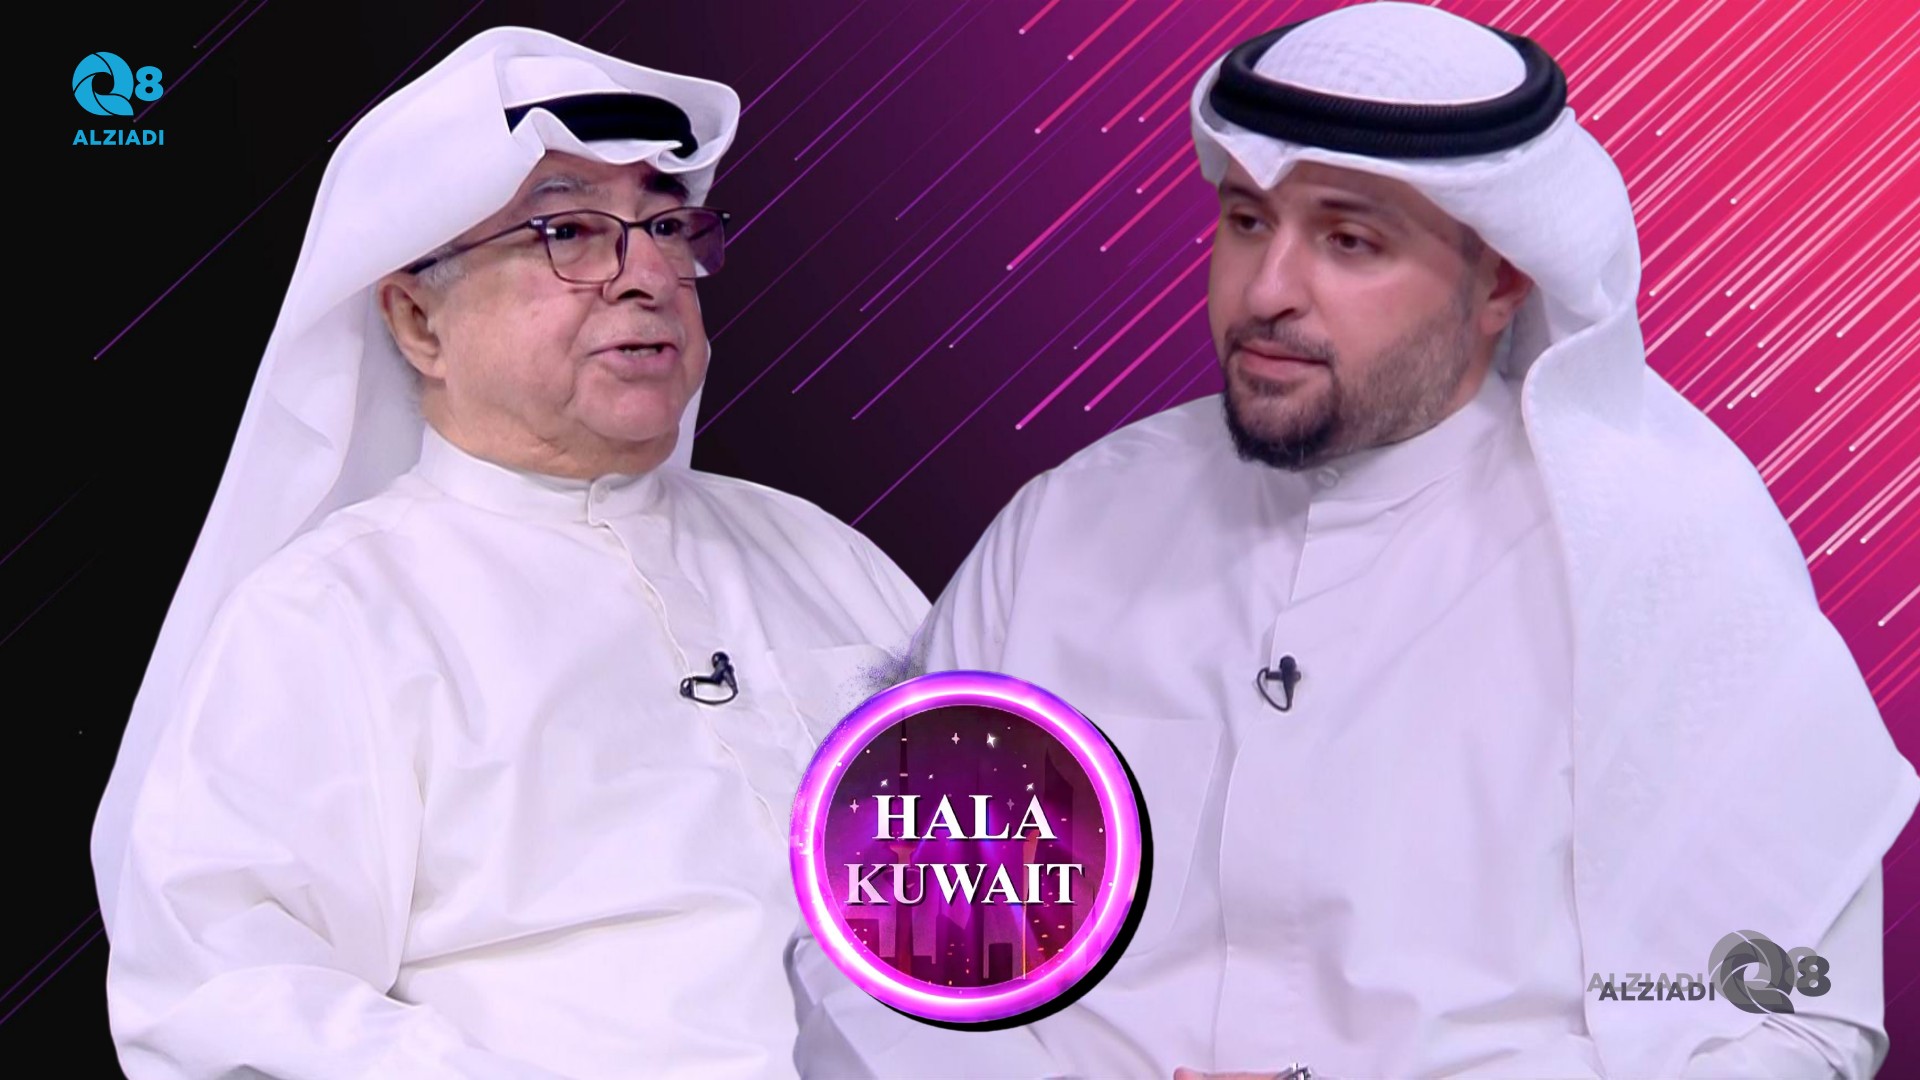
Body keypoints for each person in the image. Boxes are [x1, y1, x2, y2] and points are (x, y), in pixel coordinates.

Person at [791, 4, 1916, 1077]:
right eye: (1246, 221)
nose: (1267, 291)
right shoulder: (1070, 527)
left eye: (1349, 240)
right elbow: (874, 957)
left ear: (1501, 277)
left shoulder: (1656, 561)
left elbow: (1792, 1024)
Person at [96, 26, 925, 1078]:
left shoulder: (819, 554)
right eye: (567, 230)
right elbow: (226, 1001)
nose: (649, 276)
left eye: (667, 226)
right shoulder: (331, 616)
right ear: (418, 322)